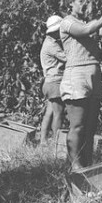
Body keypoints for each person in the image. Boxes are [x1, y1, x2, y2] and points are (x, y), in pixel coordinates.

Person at [60, 0, 102, 170]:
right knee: (77, 125)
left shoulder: (89, 23)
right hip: (76, 77)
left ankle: (87, 164)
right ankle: (75, 166)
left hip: (93, 76)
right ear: (70, 3)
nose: (85, 5)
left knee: (90, 127)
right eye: (81, 1)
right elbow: (86, 30)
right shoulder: (68, 22)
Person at [39, 15, 67, 144]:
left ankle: (43, 141)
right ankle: (56, 142)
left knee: (49, 113)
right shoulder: (52, 45)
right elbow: (66, 58)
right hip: (54, 82)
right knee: (58, 113)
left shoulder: (49, 42)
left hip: (49, 81)